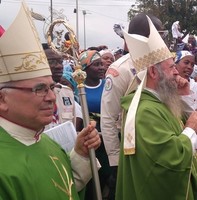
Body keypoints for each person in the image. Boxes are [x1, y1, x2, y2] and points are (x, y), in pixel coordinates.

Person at [0, 3, 101, 200]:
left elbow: (62, 190)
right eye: (39, 89)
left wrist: (79, 155)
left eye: (50, 87)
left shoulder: (46, 142)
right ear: (2, 99)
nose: (52, 97)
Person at [116, 16, 197, 200]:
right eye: (171, 68)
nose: (176, 71)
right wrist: (191, 130)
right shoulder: (146, 112)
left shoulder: (163, 102)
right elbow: (171, 158)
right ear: (153, 72)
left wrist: (185, 93)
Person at [101, 14, 168, 199]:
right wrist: (115, 162)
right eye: (159, 34)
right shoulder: (120, 70)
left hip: (159, 142)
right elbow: (108, 118)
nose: (162, 40)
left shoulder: (162, 64)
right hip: (131, 145)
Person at [78, 50, 111, 199]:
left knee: (108, 176)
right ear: (85, 69)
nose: (101, 68)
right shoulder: (79, 89)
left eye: (102, 64)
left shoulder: (108, 85)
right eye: (96, 65)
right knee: (92, 178)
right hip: (91, 140)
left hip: (109, 139)